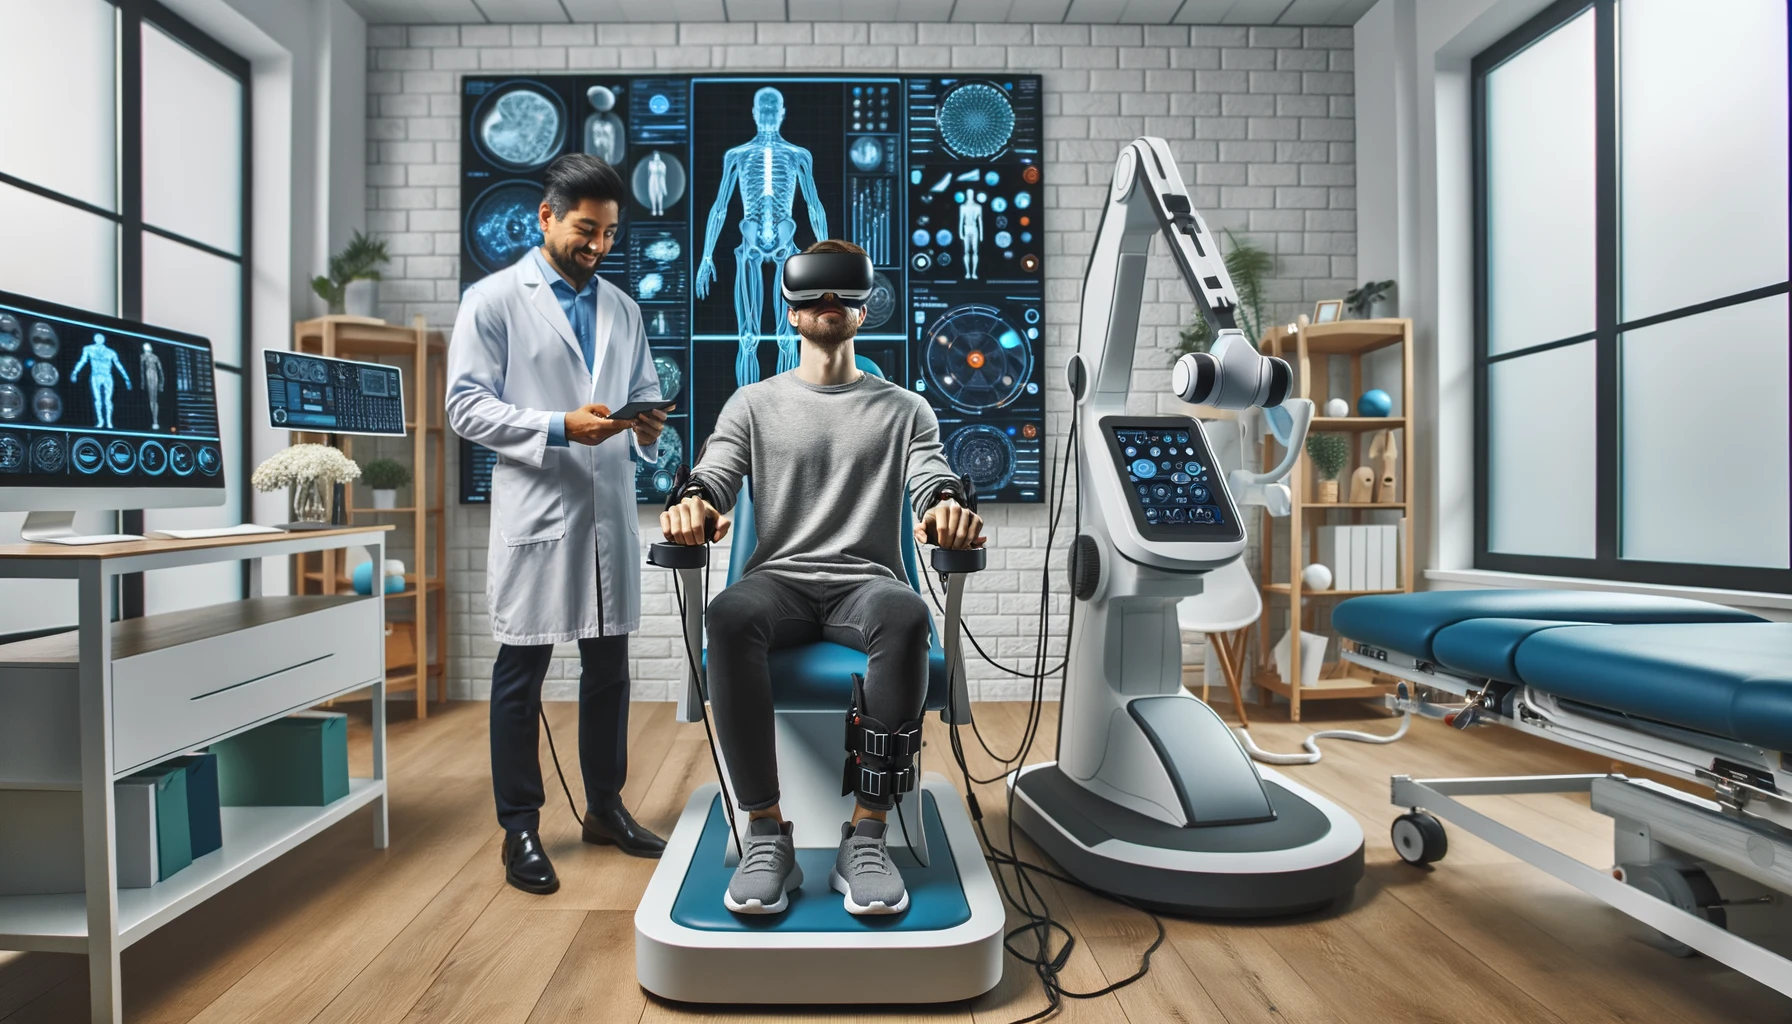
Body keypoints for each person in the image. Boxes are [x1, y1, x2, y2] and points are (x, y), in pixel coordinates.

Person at [661, 239, 986, 916]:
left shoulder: (905, 409)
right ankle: (764, 833)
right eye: (815, 294)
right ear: (791, 309)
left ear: (864, 308)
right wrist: (695, 503)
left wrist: (948, 509)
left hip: (864, 583)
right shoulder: (752, 403)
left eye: (843, 294)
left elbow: (930, 478)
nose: (828, 305)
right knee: (727, 614)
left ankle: (865, 835)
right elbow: (715, 472)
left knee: (904, 614)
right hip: (778, 581)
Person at [447, 154, 670, 896]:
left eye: (609, 232)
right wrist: (555, 427)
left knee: (608, 669)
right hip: (539, 508)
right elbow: (465, 407)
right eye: (585, 229)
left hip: (606, 506)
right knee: (522, 675)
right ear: (545, 217)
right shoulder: (493, 301)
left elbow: (640, 391)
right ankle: (520, 829)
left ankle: (604, 808)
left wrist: (647, 423)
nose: (599, 245)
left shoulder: (624, 309)